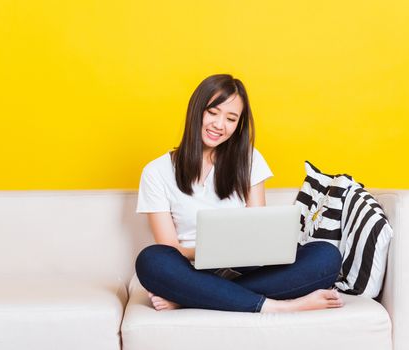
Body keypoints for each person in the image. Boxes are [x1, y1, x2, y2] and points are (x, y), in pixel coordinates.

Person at [135, 74, 343, 313]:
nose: (219, 125)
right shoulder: (156, 172)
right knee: (151, 260)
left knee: (326, 256)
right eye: (213, 113)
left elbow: (258, 232)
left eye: (231, 118)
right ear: (196, 110)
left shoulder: (249, 159)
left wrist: (239, 254)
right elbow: (169, 248)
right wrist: (213, 252)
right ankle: (274, 306)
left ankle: (196, 297)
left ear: (238, 124)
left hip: (247, 269)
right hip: (190, 270)